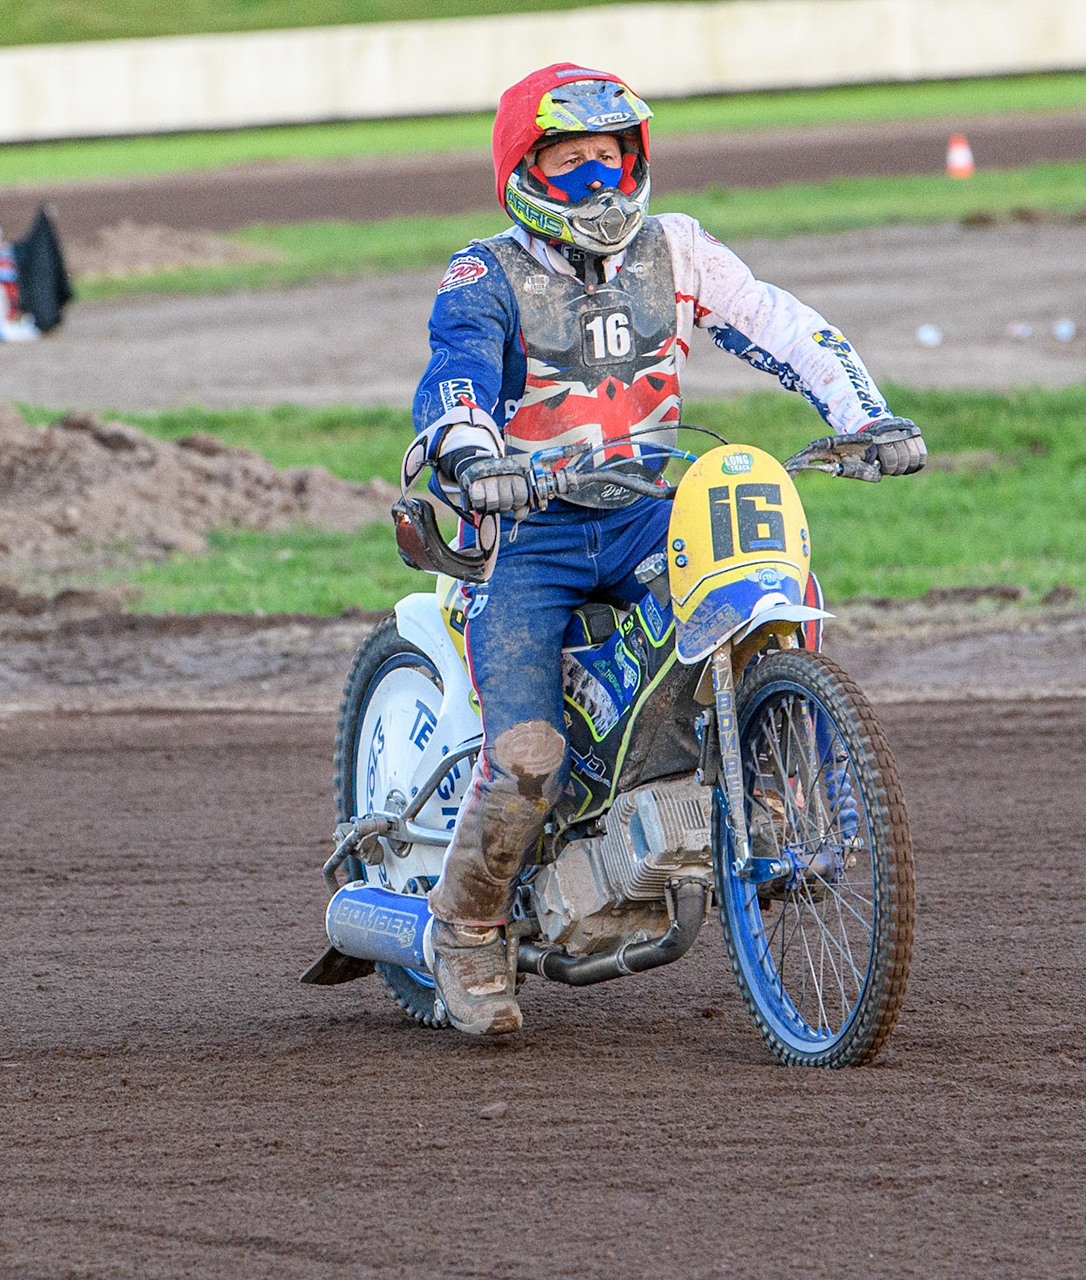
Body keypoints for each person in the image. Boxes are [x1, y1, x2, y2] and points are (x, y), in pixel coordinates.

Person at [405, 63, 926, 1036]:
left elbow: (781, 322)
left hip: (648, 506)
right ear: (526, 168)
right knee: (529, 753)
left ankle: (773, 780)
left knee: (760, 570)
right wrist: (475, 455)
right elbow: (455, 378)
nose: (599, 180)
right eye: (572, 160)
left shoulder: (678, 249)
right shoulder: (484, 272)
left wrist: (868, 416)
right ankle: (467, 928)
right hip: (528, 530)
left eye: (611, 156)